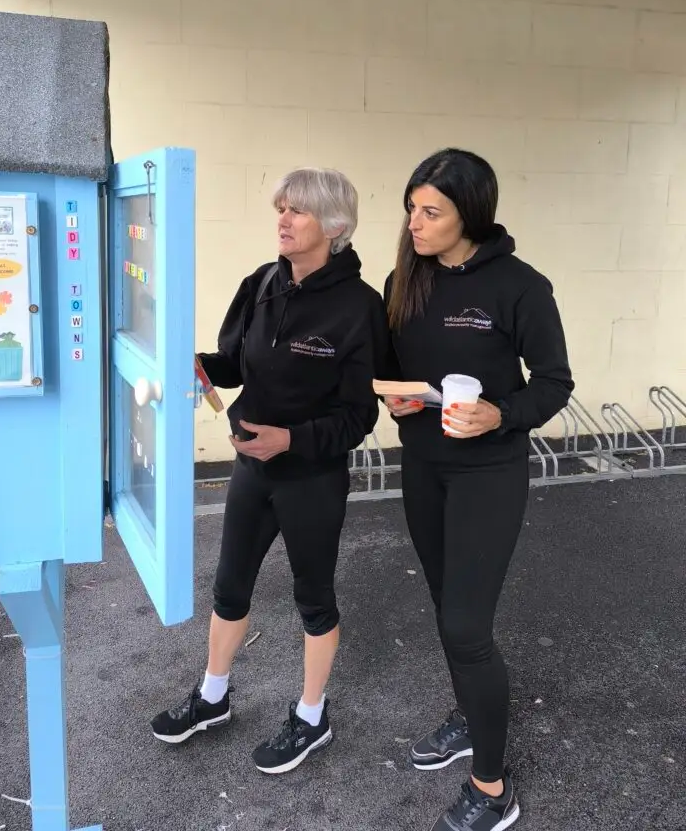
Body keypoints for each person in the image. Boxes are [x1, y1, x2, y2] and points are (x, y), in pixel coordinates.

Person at [151, 167, 387, 775]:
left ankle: (312, 717)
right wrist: (196, 363)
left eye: (298, 211)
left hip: (312, 477)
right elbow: (232, 363)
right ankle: (213, 696)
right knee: (229, 586)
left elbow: (360, 414)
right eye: (281, 208)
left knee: (313, 598)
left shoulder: (360, 308)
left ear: (334, 227)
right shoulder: (261, 284)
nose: (283, 220)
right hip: (252, 471)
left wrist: (292, 439)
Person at [382, 149, 573, 831]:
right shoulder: (405, 280)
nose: (415, 224)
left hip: (489, 471)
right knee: (446, 608)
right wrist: (400, 402)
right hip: (423, 466)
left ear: (472, 214)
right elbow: (396, 373)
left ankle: (492, 789)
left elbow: (554, 381)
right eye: (411, 208)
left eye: (431, 212)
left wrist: (501, 413)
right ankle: (470, 714)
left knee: (466, 626)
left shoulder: (521, 287)